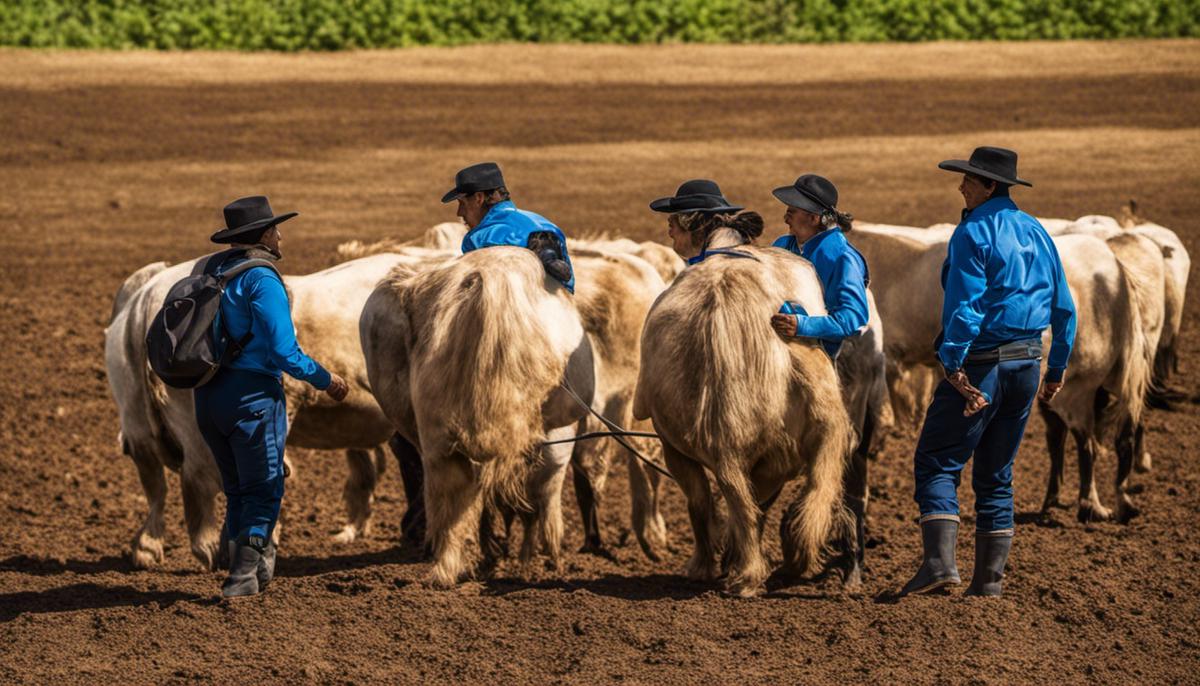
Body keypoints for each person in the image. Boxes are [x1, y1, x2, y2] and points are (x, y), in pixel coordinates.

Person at [899, 146, 1076, 598]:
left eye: (969, 180)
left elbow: (965, 306)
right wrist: (1055, 370)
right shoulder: (1037, 230)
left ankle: (939, 565)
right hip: (1028, 363)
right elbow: (1064, 308)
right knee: (997, 472)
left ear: (989, 185)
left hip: (982, 363)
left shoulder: (973, 232)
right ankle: (989, 583)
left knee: (937, 461)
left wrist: (953, 360)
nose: (961, 186)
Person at [195, 196, 349, 599]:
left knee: (236, 488)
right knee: (264, 485)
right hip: (252, 398)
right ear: (264, 235)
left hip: (208, 396)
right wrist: (325, 379)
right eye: (276, 229)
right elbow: (283, 351)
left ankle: (248, 565)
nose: (281, 236)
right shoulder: (261, 278)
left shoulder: (213, 269)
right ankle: (244, 576)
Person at [767, 174, 869, 358]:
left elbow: (852, 319)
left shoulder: (843, 258)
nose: (785, 219)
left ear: (813, 219)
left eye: (791, 213)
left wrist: (802, 325)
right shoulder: (780, 246)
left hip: (832, 359)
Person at [443, 162, 575, 292]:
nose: (459, 212)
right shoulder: (545, 223)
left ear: (479, 198)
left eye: (462, 203)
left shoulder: (479, 238)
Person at [650, 179, 763, 264]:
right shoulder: (744, 260)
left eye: (672, 226)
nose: (670, 234)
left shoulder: (708, 271)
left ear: (690, 224)